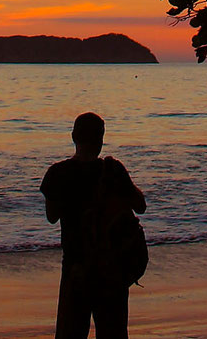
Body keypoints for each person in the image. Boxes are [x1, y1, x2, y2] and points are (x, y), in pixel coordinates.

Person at [41, 112, 146, 339]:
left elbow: (51, 216)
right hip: (111, 268)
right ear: (101, 139)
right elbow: (140, 206)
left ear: (73, 137)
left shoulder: (58, 174)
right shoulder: (113, 170)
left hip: (76, 268)